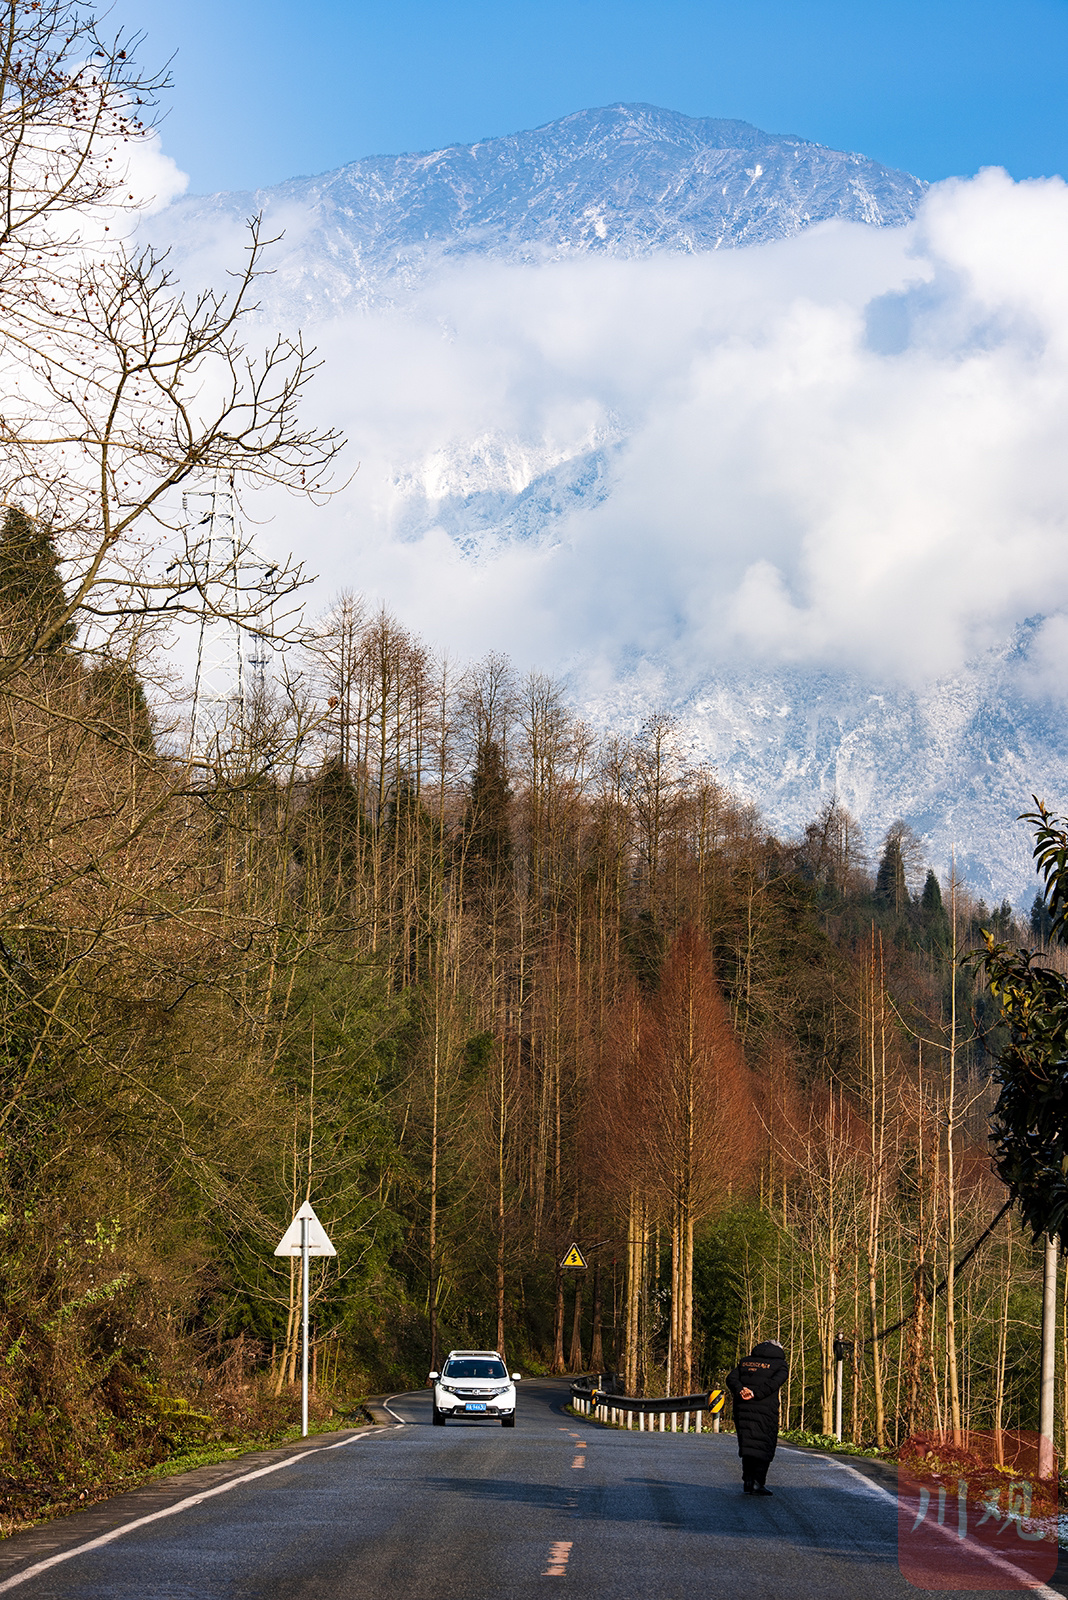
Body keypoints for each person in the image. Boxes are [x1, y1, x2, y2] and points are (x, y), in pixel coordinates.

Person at [725, 1340, 789, 1495]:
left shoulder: (746, 1362)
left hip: (743, 1408)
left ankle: (748, 1481)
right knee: (764, 1443)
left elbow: (731, 1379)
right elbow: (775, 1383)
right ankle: (758, 1483)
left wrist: (741, 1390)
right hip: (765, 1410)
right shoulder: (780, 1365)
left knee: (747, 1443)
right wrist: (756, 1394)